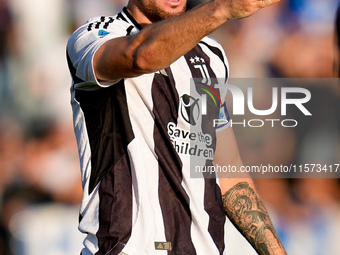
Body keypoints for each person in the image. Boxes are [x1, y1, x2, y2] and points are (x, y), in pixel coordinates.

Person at [66, 0, 286, 254]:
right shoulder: (95, 36)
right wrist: (222, 8)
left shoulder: (210, 55)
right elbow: (142, 56)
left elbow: (228, 173)